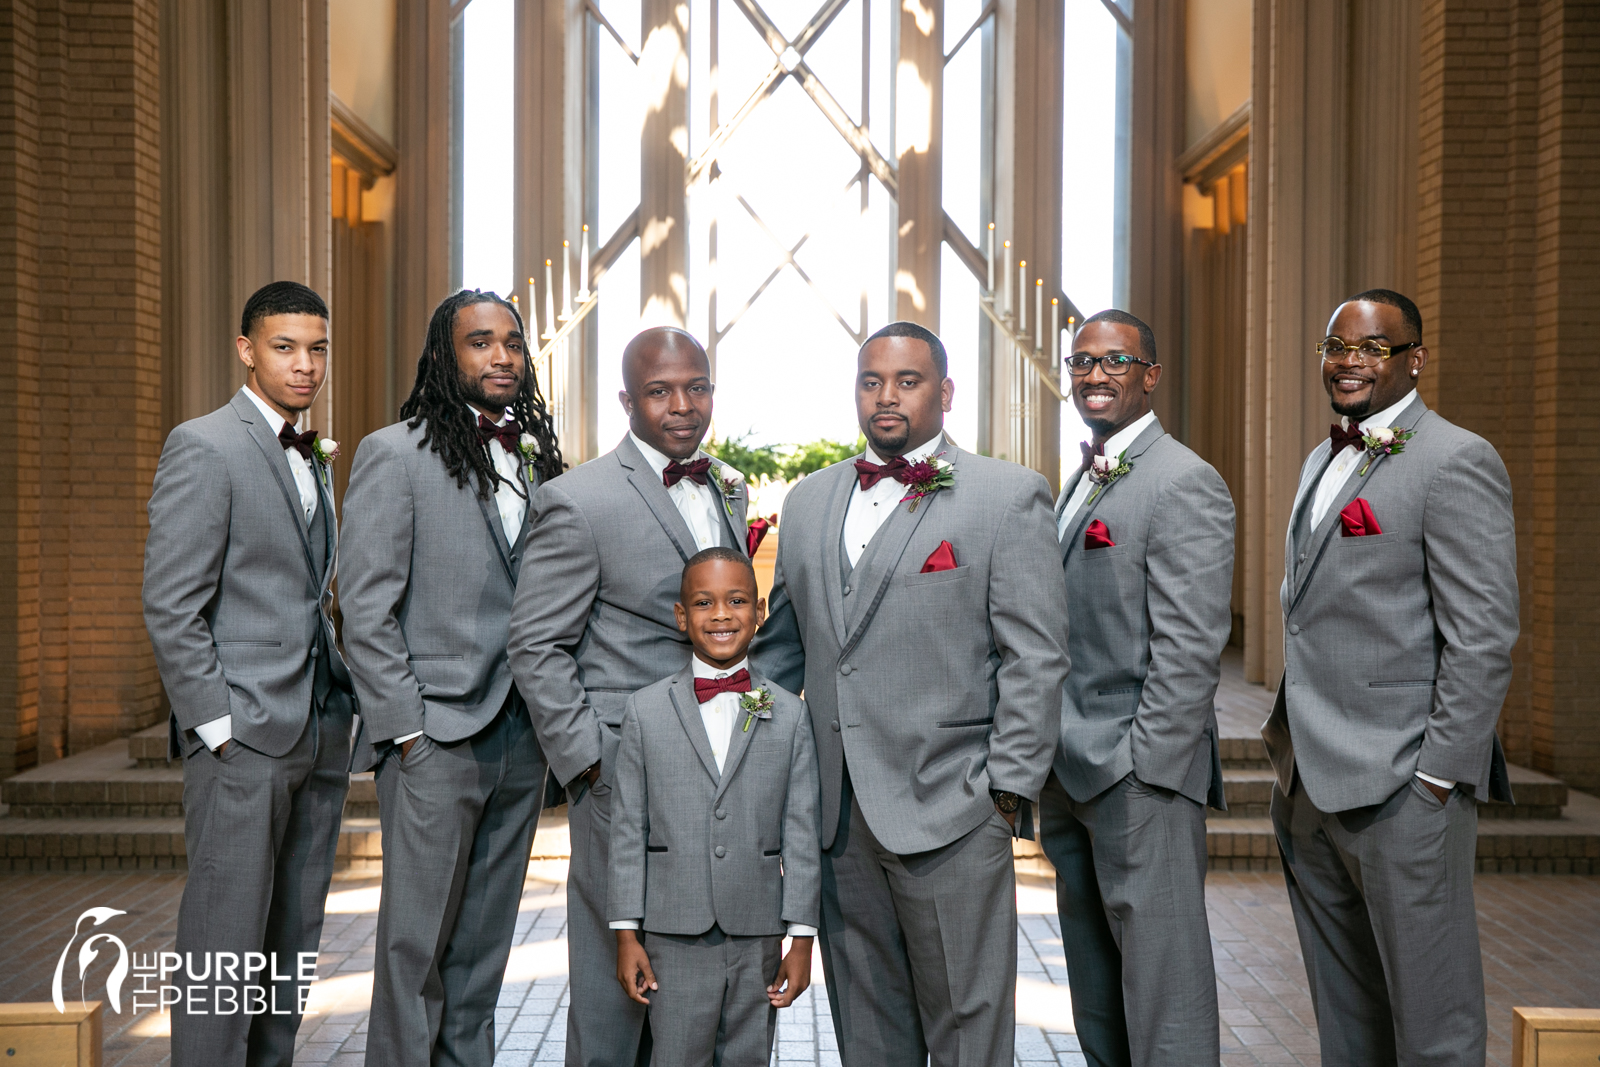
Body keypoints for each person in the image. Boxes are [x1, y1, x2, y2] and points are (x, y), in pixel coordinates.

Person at [750, 321, 1070, 1066]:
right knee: (866, 1031)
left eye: (907, 380)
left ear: (946, 393)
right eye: (871, 381)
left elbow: (1036, 655)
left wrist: (1005, 791)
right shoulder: (808, 502)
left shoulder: (1005, 496)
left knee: (968, 1025)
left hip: (953, 809)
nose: (886, 396)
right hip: (839, 819)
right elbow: (780, 654)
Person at [1262, 288, 1517, 1066]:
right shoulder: (1321, 456)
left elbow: (1483, 636)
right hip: (1311, 783)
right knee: (1349, 1020)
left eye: (1373, 347)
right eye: (1337, 346)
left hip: (1405, 788)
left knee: (1433, 1024)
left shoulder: (1456, 459)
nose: (1349, 361)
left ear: (1415, 358)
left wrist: (1436, 777)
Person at [509, 326, 748, 1067]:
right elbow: (536, 645)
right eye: (659, 390)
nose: (682, 405)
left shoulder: (727, 486)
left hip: (720, 773)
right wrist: (590, 765)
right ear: (626, 399)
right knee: (616, 994)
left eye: (696, 387)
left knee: (698, 980)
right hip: (622, 773)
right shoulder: (578, 500)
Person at [339, 289, 563, 1067]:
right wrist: (406, 731)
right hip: (433, 736)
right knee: (414, 948)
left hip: (521, 737)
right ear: (445, 356)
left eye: (512, 341)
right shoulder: (392, 454)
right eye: (480, 342)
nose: (502, 356)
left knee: (482, 947)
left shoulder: (540, 454)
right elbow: (363, 608)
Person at [143, 280, 356, 1066]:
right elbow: (171, 604)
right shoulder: (204, 444)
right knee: (222, 947)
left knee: (290, 943)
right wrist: (218, 724)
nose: (305, 365)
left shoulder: (311, 453)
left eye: (317, 348)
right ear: (246, 349)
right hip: (243, 740)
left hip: (317, 728)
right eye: (285, 347)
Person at [1040, 309, 1233, 1067]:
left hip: (1137, 779)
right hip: (1074, 771)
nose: (1094, 374)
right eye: (1081, 361)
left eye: (1114, 361)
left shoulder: (1183, 480)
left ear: (1150, 376)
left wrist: (1145, 765)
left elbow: (1190, 645)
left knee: (1165, 993)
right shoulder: (1084, 476)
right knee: (1100, 989)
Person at [608, 547, 820, 1067]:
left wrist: (801, 938)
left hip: (759, 932)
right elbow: (628, 830)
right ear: (681, 617)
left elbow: (802, 833)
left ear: (760, 612)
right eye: (704, 603)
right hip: (672, 933)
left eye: (737, 601)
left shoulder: (790, 715)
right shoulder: (645, 709)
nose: (721, 615)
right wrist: (626, 933)